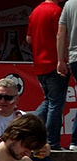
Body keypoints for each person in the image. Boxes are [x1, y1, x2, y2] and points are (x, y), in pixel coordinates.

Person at [27, 0, 67, 149]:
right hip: (55, 63)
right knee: (55, 104)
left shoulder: (35, 11)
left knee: (49, 101)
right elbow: (61, 36)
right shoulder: (56, 11)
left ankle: (24, 125)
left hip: (39, 64)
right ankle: (52, 142)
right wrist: (62, 58)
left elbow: (28, 39)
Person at [57, 0, 77, 149]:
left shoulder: (69, 4)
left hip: (73, 58)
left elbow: (61, 33)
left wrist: (60, 59)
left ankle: (75, 141)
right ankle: (75, 140)